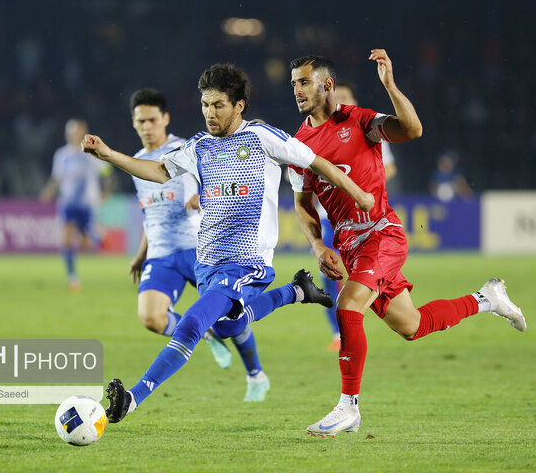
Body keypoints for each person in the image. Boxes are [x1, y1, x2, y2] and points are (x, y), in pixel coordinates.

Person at [81, 63, 375, 424]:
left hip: (248, 262)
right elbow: (158, 171)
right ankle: (296, 292)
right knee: (227, 327)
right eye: (205, 105)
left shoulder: (262, 137)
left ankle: (132, 398)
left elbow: (318, 163)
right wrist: (109, 154)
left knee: (192, 323)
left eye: (218, 105)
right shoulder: (199, 146)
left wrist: (358, 191)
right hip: (207, 262)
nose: (209, 113)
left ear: (238, 106)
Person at [288, 51, 526, 438]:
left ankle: (348, 408)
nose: (297, 90)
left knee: (348, 305)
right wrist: (317, 245)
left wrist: (390, 86)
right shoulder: (297, 145)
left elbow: (412, 130)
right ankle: (487, 299)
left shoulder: (360, 121)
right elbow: (303, 204)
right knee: (411, 325)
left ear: (326, 85)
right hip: (349, 246)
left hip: (381, 233)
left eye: (304, 81)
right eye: (294, 83)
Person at [127, 87, 274, 401]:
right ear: (134, 123)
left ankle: (256, 374)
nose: (147, 126)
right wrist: (141, 255)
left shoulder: (188, 148)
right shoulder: (138, 163)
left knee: (233, 316)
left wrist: (200, 196)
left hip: (200, 249)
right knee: (150, 318)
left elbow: (214, 180)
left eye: (152, 119)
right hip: (162, 254)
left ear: (165, 119)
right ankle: (206, 334)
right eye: (141, 121)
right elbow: (149, 213)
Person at [317, 79, 399, 351]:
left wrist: (361, 183)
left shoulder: (367, 127)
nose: (340, 102)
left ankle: (354, 327)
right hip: (332, 223)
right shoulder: (319, 134)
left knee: (363, 280)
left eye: (345, 97)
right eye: (336, 97)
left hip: (369, 221)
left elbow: (389, 167)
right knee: (331, 278)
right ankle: (337, 334)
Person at [40, 119, 112, 291]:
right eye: (71, 132)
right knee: (66, 238)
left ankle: (96, 235)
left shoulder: (91, 153)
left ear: (83, 132)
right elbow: (57, 178)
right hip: (67, 202)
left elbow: (107, 171)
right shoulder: (61, 155)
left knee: (86, 244)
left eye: (77, 131)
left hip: (87, 203)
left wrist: (106, 191)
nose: (73, 135)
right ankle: (72, 277)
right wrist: (49, 190)